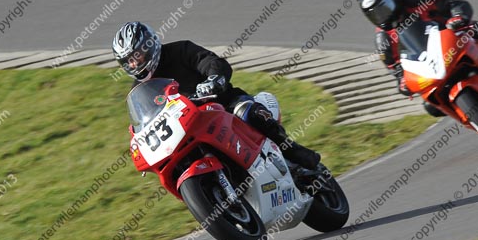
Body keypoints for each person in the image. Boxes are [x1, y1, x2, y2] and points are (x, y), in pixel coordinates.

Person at [111, 21, 321, 170]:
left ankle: (293, 151)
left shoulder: (180, 50)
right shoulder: (139, 87)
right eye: (128, 61)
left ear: (149, 44)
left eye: (136, 56)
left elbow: (210, 61)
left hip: (222, 105)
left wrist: (214, 79)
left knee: (248, 112)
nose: (134, 64)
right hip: (187, 131)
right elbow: (144, 118)